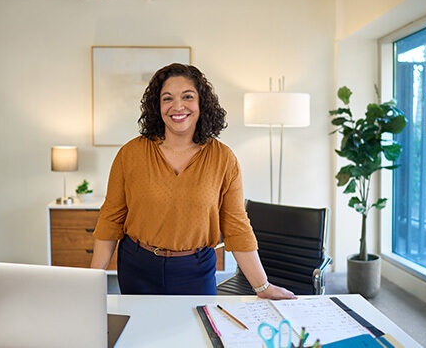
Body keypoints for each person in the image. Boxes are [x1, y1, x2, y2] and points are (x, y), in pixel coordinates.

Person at [90, 63, 294, 300]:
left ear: (201, 103)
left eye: (187, 97)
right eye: (167, 98)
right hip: (138, 267)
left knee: (199, 333)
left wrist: (262, 287)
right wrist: (92, 282)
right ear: (157, 106)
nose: (177, 106)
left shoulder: (223, 158)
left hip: (195, 270)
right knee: (140, 335)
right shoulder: (131, 153)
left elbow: (236, 226)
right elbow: (110, 219)